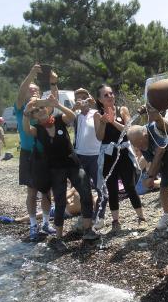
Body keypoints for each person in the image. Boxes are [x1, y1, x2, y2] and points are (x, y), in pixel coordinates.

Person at [22, 94, 98, 246]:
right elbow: (26, 129)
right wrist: (26, 112)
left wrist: (57, 104)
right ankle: (58, 237)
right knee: (60, 200)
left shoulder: (58, 119)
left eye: (42, 107)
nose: (40, 111)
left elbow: (71, 116)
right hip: (55, 170)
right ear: (34, 116)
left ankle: (88, 229)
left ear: (47, 109)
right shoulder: (37, 129)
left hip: (73, 164)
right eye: (36, 110)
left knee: (86, 193)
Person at [93, 84, 146, 233]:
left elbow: (129, 129)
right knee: (112, 188)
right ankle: (115, 220)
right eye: (106, 95)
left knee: (129, 185)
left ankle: (141, 217)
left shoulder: (122, 110)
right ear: (100, 99)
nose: (110, 97)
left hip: (123, 152)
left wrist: (113, 121)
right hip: (108, 153)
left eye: (111, 94)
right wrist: (103, 122)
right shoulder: (98, 115)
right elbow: (99, 137)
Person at [14, 64, 54, 240]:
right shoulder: (20, 108)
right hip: (28, 154)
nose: (31, 91)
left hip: (45, 154)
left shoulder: (44, 109)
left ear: (39, 93)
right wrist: (31, 74)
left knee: (46, 191)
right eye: (29, 90)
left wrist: (54, 83)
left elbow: (55, 100)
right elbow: (23, 90)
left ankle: (46, 223)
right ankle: (32, 225)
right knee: (31, 192)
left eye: (34, 90)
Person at [72, 87, 106, 229]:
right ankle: (86, 217)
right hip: (80, 157)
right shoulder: (75, 116)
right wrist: (74, 109)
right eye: (78, 98)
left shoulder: (96, 114)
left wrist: (93, 103)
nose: (81, 101)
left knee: (102, 190)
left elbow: (101, 134)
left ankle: (100, 217)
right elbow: (64, 119)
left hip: (95, 156)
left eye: (83, 97)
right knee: (83, 190)